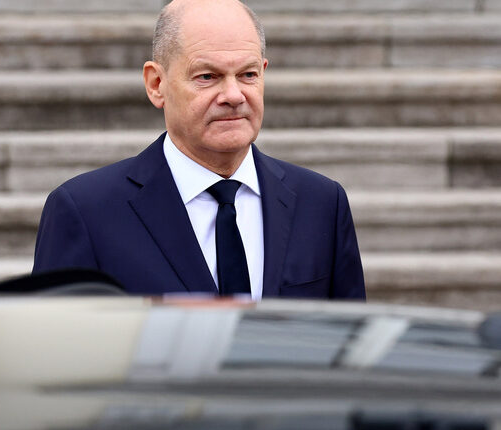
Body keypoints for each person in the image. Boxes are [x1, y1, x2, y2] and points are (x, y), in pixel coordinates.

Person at [33, 0, 366, 300]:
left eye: (247, 74)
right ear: (156, 84)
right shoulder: (86, 212)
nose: (233, 95)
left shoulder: (322, 203)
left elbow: (350, 342)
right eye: (207, 76)